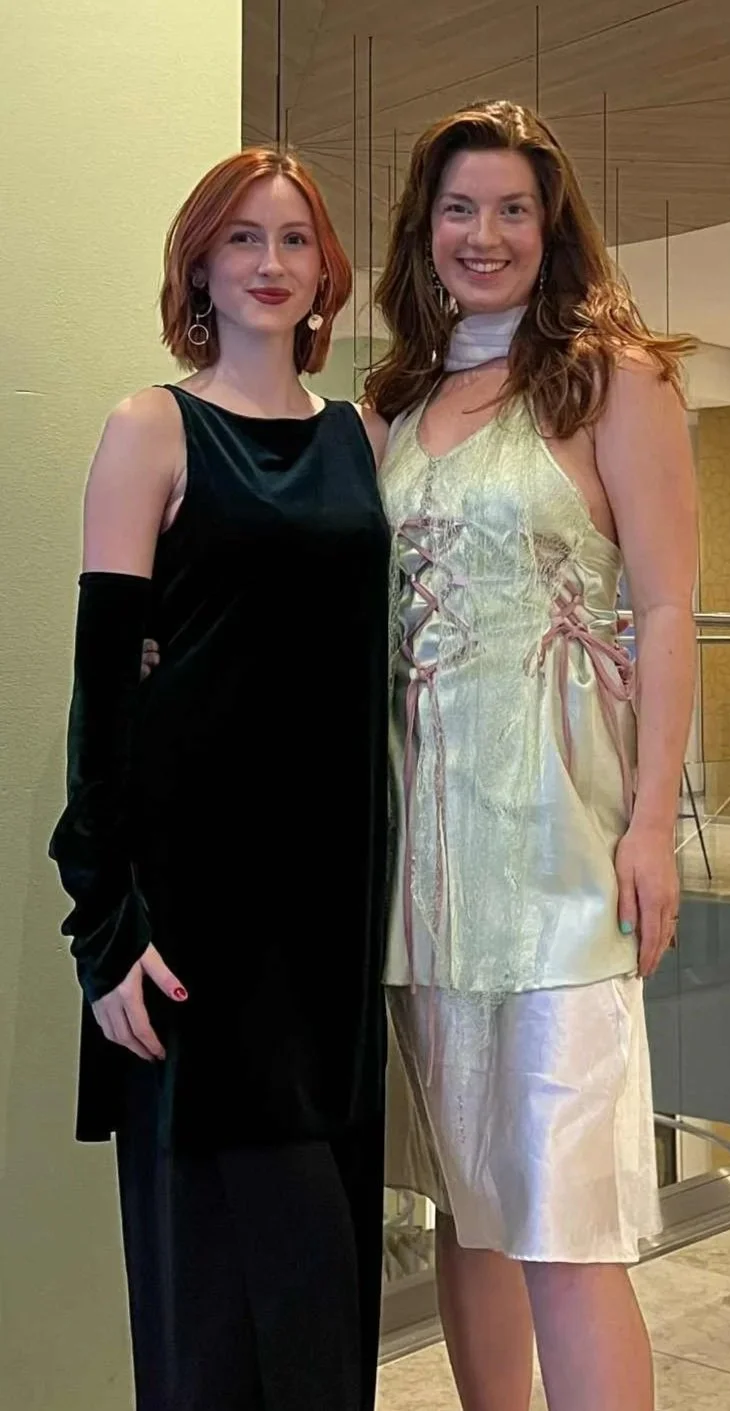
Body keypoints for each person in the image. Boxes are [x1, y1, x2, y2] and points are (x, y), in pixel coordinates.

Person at [366, 100, 698, 1411]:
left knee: (567, 1224)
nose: (484, 233)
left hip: (563, 847)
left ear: (550, 224)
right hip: (425, 863)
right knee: (470, 1208)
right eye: (460, 208)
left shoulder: (613, 377)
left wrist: (650, 824)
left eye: (512, 208)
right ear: (424, 228)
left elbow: (666, 605)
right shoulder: (395, 400)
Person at [49, 147, 391, 1411]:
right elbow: (106, 697)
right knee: (216, 1326)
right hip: (195, 935)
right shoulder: (151, 426)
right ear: (200, 261)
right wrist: (107, 933)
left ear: (324, 273)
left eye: (293, 238)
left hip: (330, 929)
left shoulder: (364, 436)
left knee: (322, 1315)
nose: (268, 263)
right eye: (241, 238)